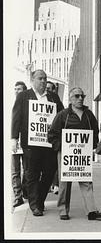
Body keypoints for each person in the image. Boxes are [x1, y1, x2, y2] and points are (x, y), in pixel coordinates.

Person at [48, 87, 101, 221]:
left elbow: (95, 131)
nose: (80, 98)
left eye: (82, 96)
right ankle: (63, 210)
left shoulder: (88, 114)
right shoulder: (63, 114)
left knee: (86, 180)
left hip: (83, 154)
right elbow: (52, 134)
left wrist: (92, 145)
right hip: (65, 154)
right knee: (64, 182)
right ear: (70, 98)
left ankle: (91, 211)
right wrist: (61, 147)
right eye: (77, 96)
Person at [11, 69, 64, 216]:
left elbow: (61, 116)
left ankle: (39, 200)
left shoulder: (53, 97)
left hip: (49, 143)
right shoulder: (23, 96)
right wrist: (14, 138)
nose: (43, 81)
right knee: (32, 174)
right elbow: (16, 118)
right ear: (32, 80)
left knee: (49, 172)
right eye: (40, 78)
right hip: (30, 143)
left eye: (45, 78)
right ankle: (35, 205)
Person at [11, 81, 28, 207]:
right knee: (15, 170)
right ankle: (18, 196)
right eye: (15, 89)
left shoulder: (28, 105)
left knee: (27, 170)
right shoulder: (10, 104)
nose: (17, 91)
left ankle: (26, 191)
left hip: (26, 142)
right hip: (13, 143)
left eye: (19, 89)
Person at [46, 80, 59, 195]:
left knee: (54, 165)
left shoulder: (56, 101)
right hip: (41, 141)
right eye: (46, 88)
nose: (47, 90)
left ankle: (55, 184)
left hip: (53, 140)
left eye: (50, 88)